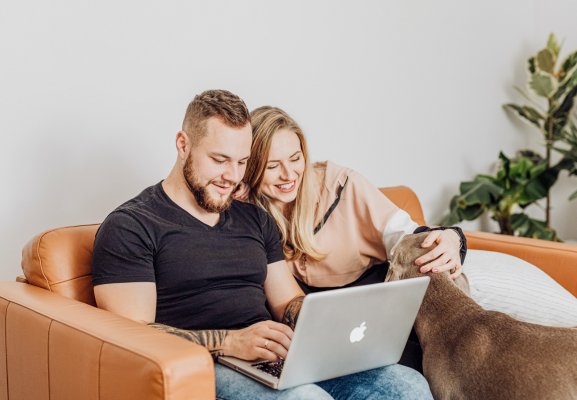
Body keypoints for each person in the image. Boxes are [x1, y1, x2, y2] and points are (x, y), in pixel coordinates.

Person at [91, 90, 433, 400]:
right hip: (206, 366)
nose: (232, 176)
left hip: (274, 358)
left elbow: (288, 303)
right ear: (183, 145)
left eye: (242, 163)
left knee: (406, 386)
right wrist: (230, 342)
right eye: (219, 160)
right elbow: (131, 336)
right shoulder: (131, 227)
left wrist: (332, 326)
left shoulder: (254, 219)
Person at [238, 106, 467, 373]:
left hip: (382, 319)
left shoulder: (342, 187)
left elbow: (408, 238)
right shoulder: (247, 213)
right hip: (325, 338)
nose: (289, 175)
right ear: (250, 168)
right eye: (272, 166)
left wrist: (453, 237)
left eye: (295, 158)